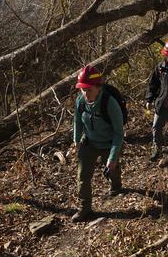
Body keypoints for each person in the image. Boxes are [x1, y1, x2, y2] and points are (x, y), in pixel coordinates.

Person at [72, 65, 124, 222]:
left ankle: (116, 185)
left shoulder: (110, 103)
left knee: (111, 168)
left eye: (89, 90)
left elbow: (119, 133)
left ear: (98, 87)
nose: (85, 94)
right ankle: (85, 209)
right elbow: (77, 121)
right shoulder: (80, 101)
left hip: (109, 143)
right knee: (82, 176)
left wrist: (113, 157)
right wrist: (76, 140)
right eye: (83, 89)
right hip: (89, 143)